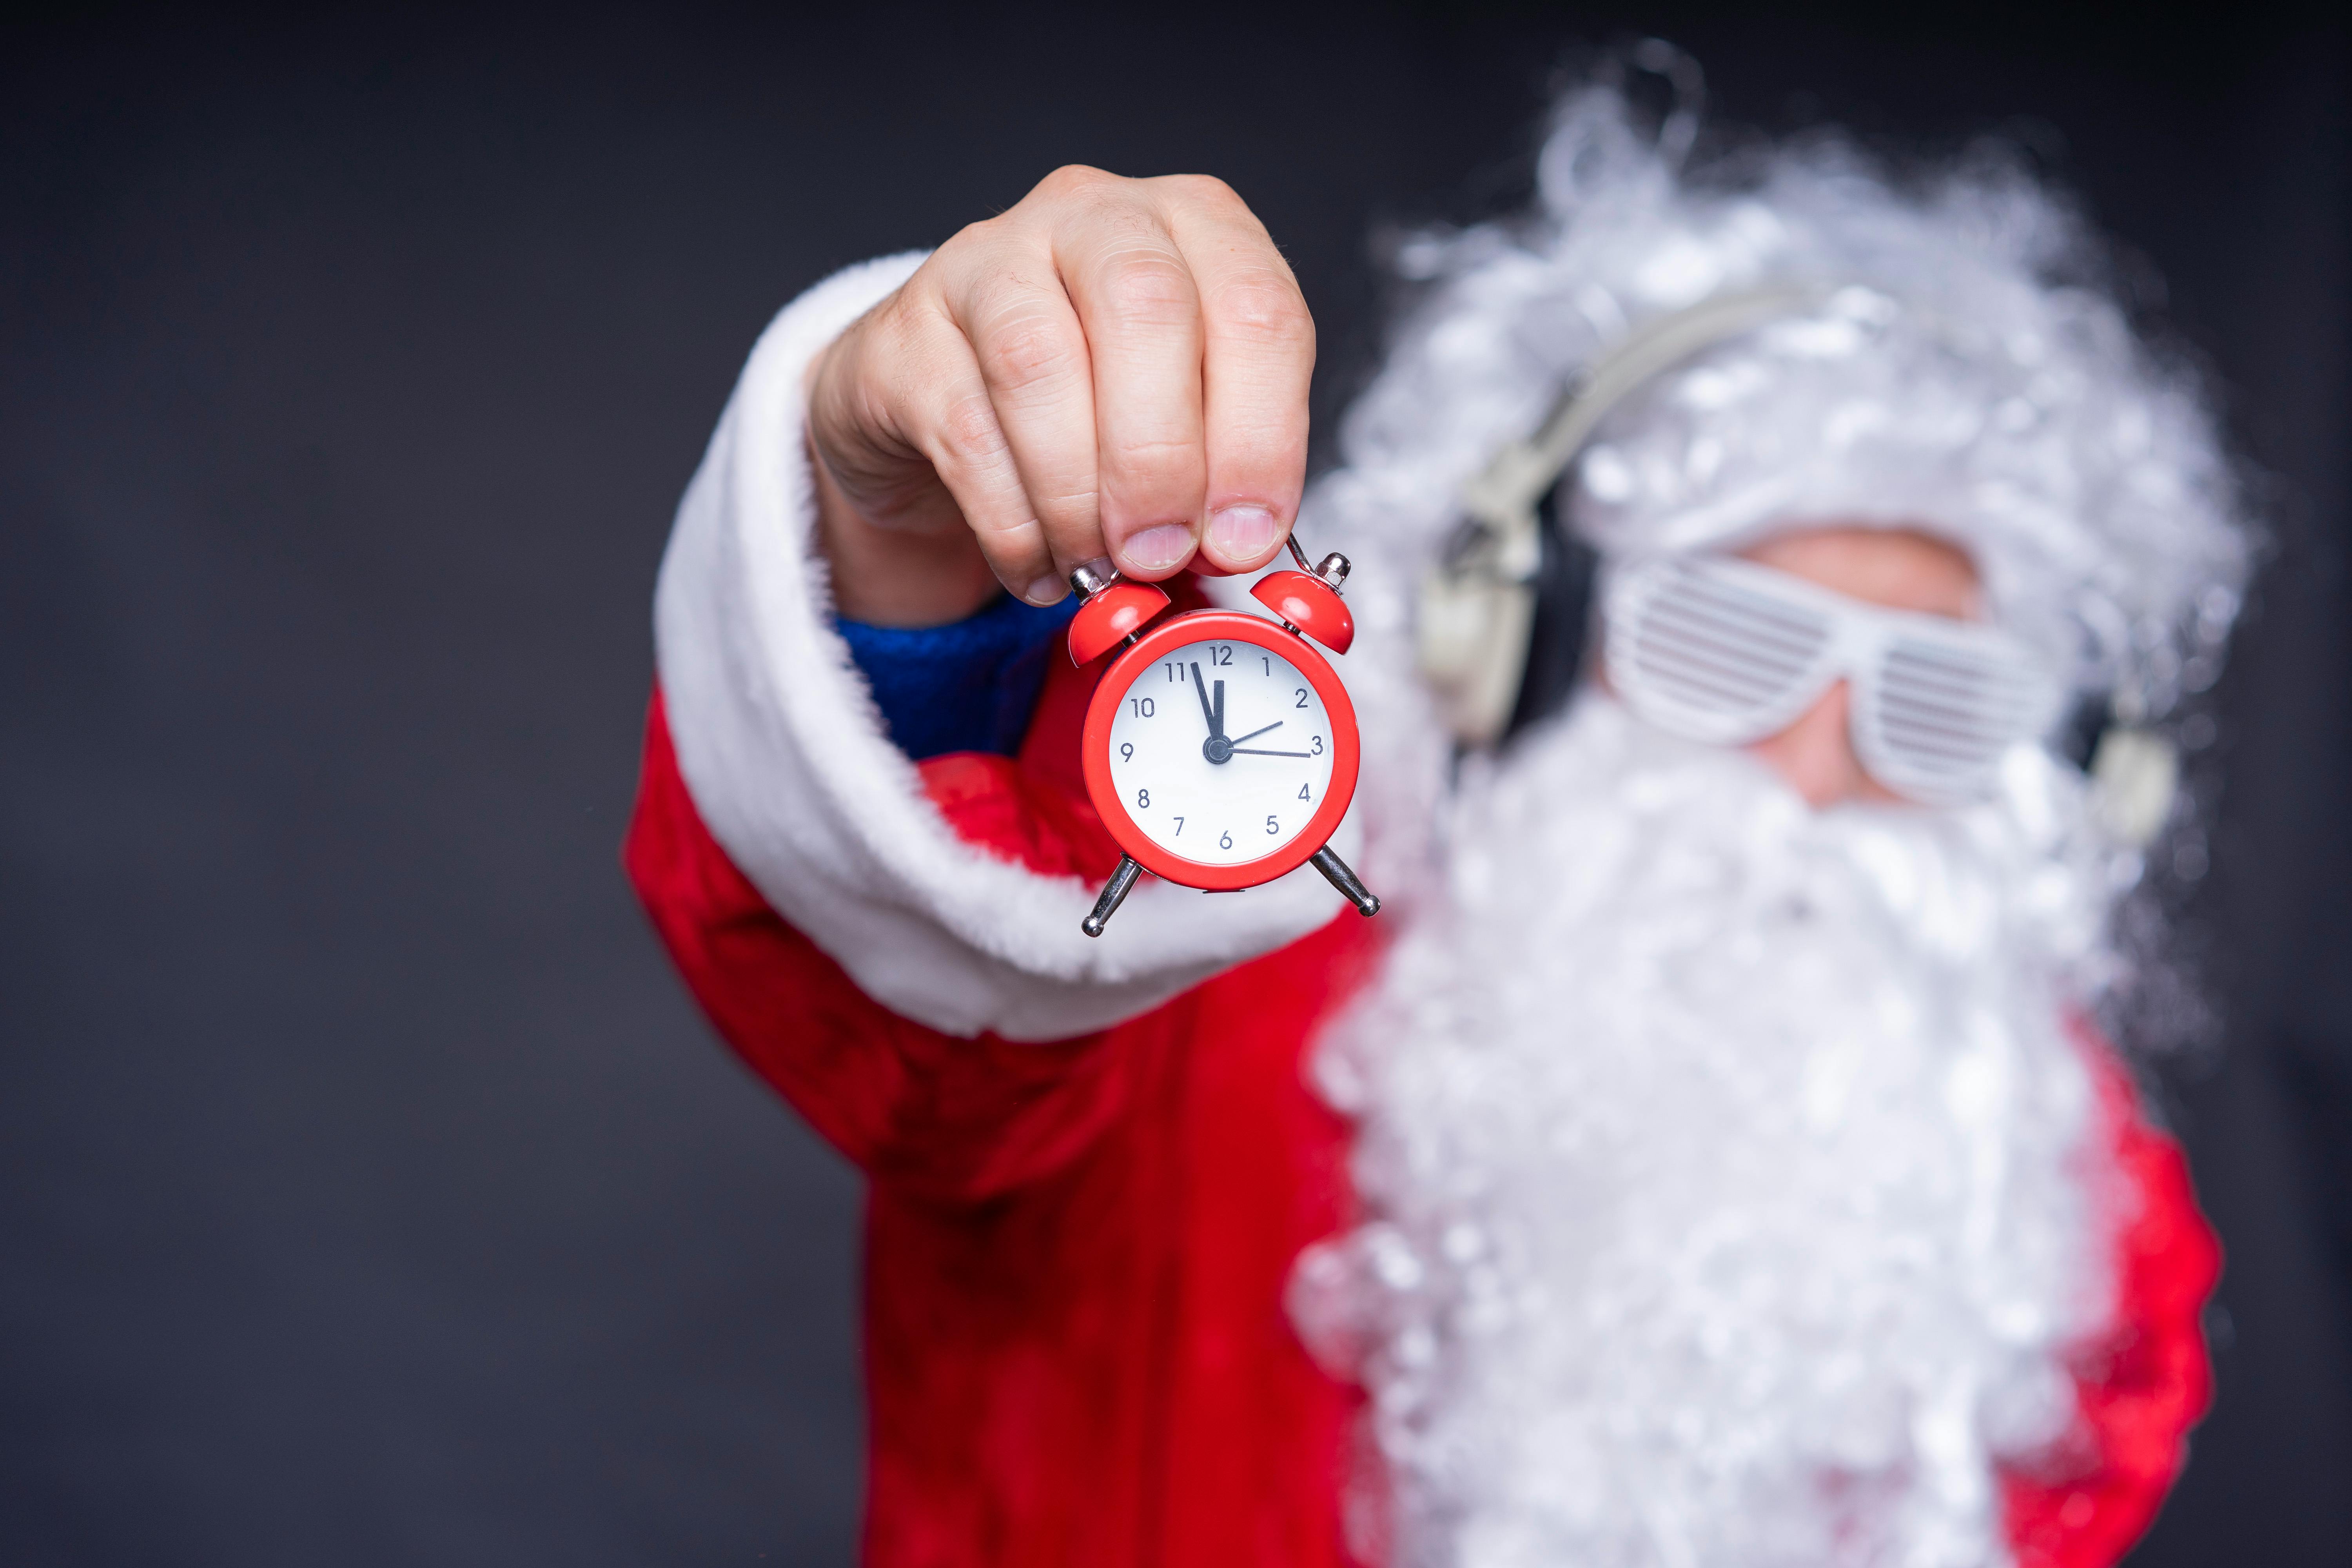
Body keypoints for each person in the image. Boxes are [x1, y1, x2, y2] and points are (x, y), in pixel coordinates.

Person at [625, 64, 2251, 1568]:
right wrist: (896, 527)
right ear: (1508, 649)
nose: (1817, 764)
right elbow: (928, 987)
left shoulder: (2037, 1221)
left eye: (1943, 703)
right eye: (1724, 645)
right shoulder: (1174, 969)